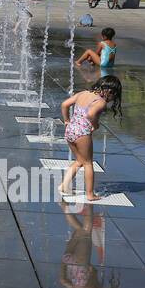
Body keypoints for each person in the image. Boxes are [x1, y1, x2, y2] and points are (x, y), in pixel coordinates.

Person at [58, 75, 122, 203]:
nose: (112, 99)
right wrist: (95, 125)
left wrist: (66, 120)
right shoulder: (101, 102)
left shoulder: (83, 93)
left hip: (70, 130)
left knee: (79, 160)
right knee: (88, 163)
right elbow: (91, 114)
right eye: (114, 95)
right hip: (82, 133)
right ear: (110, 91)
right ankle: (90, 194)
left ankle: (64, 185)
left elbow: (65, 104)